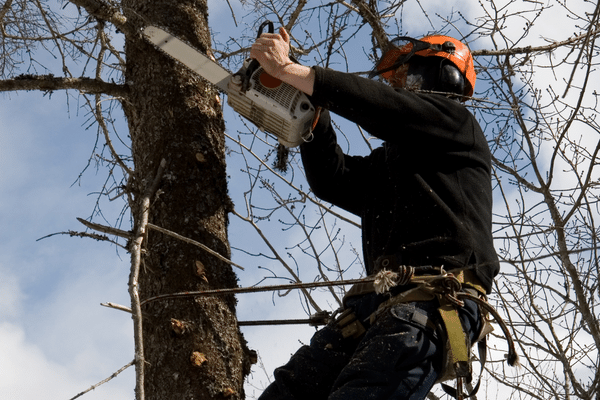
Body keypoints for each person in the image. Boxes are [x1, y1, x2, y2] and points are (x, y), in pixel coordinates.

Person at [250, 27, 499, 400]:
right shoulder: (393, 165)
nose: (401, 87)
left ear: (438, 73)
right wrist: (314, 118)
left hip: (432, 300)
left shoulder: (456, 125)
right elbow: (334, 180)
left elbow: (384, 107)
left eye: (407, 77)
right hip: (371, 310)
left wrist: (294, 72)